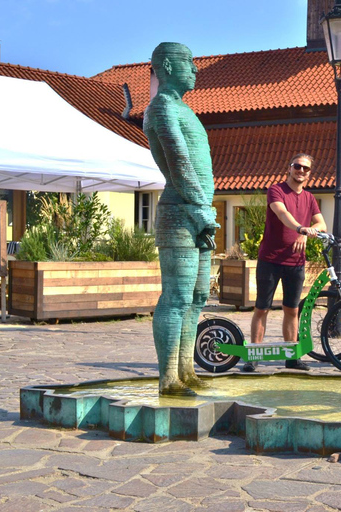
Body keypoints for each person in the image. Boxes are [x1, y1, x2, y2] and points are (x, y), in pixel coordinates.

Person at [144, 43, 218, 396]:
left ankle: (186, 370)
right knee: (176, 296)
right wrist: (203, 209)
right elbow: (178, 161)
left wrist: (206, 210)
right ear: (168, 66)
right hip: (179, 214)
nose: (195, 68)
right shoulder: (160, 107)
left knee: (199, 296)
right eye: (189, 62)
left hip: (199, 213)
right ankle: (168, 378)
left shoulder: (185, 109)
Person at [243, 154, 326, 372]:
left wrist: (307, 234)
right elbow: (281, 213)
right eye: (297, 166)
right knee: (262, 308)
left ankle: (292, 357)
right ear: (289, 168)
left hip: (296, 262)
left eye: (305, 168)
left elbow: (321, 223)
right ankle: (253, 356)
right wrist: (300, 228)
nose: (301, 170)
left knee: (292, 309)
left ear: (310, 173)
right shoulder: (276, 190)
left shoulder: (309, 197)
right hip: (270, 260)